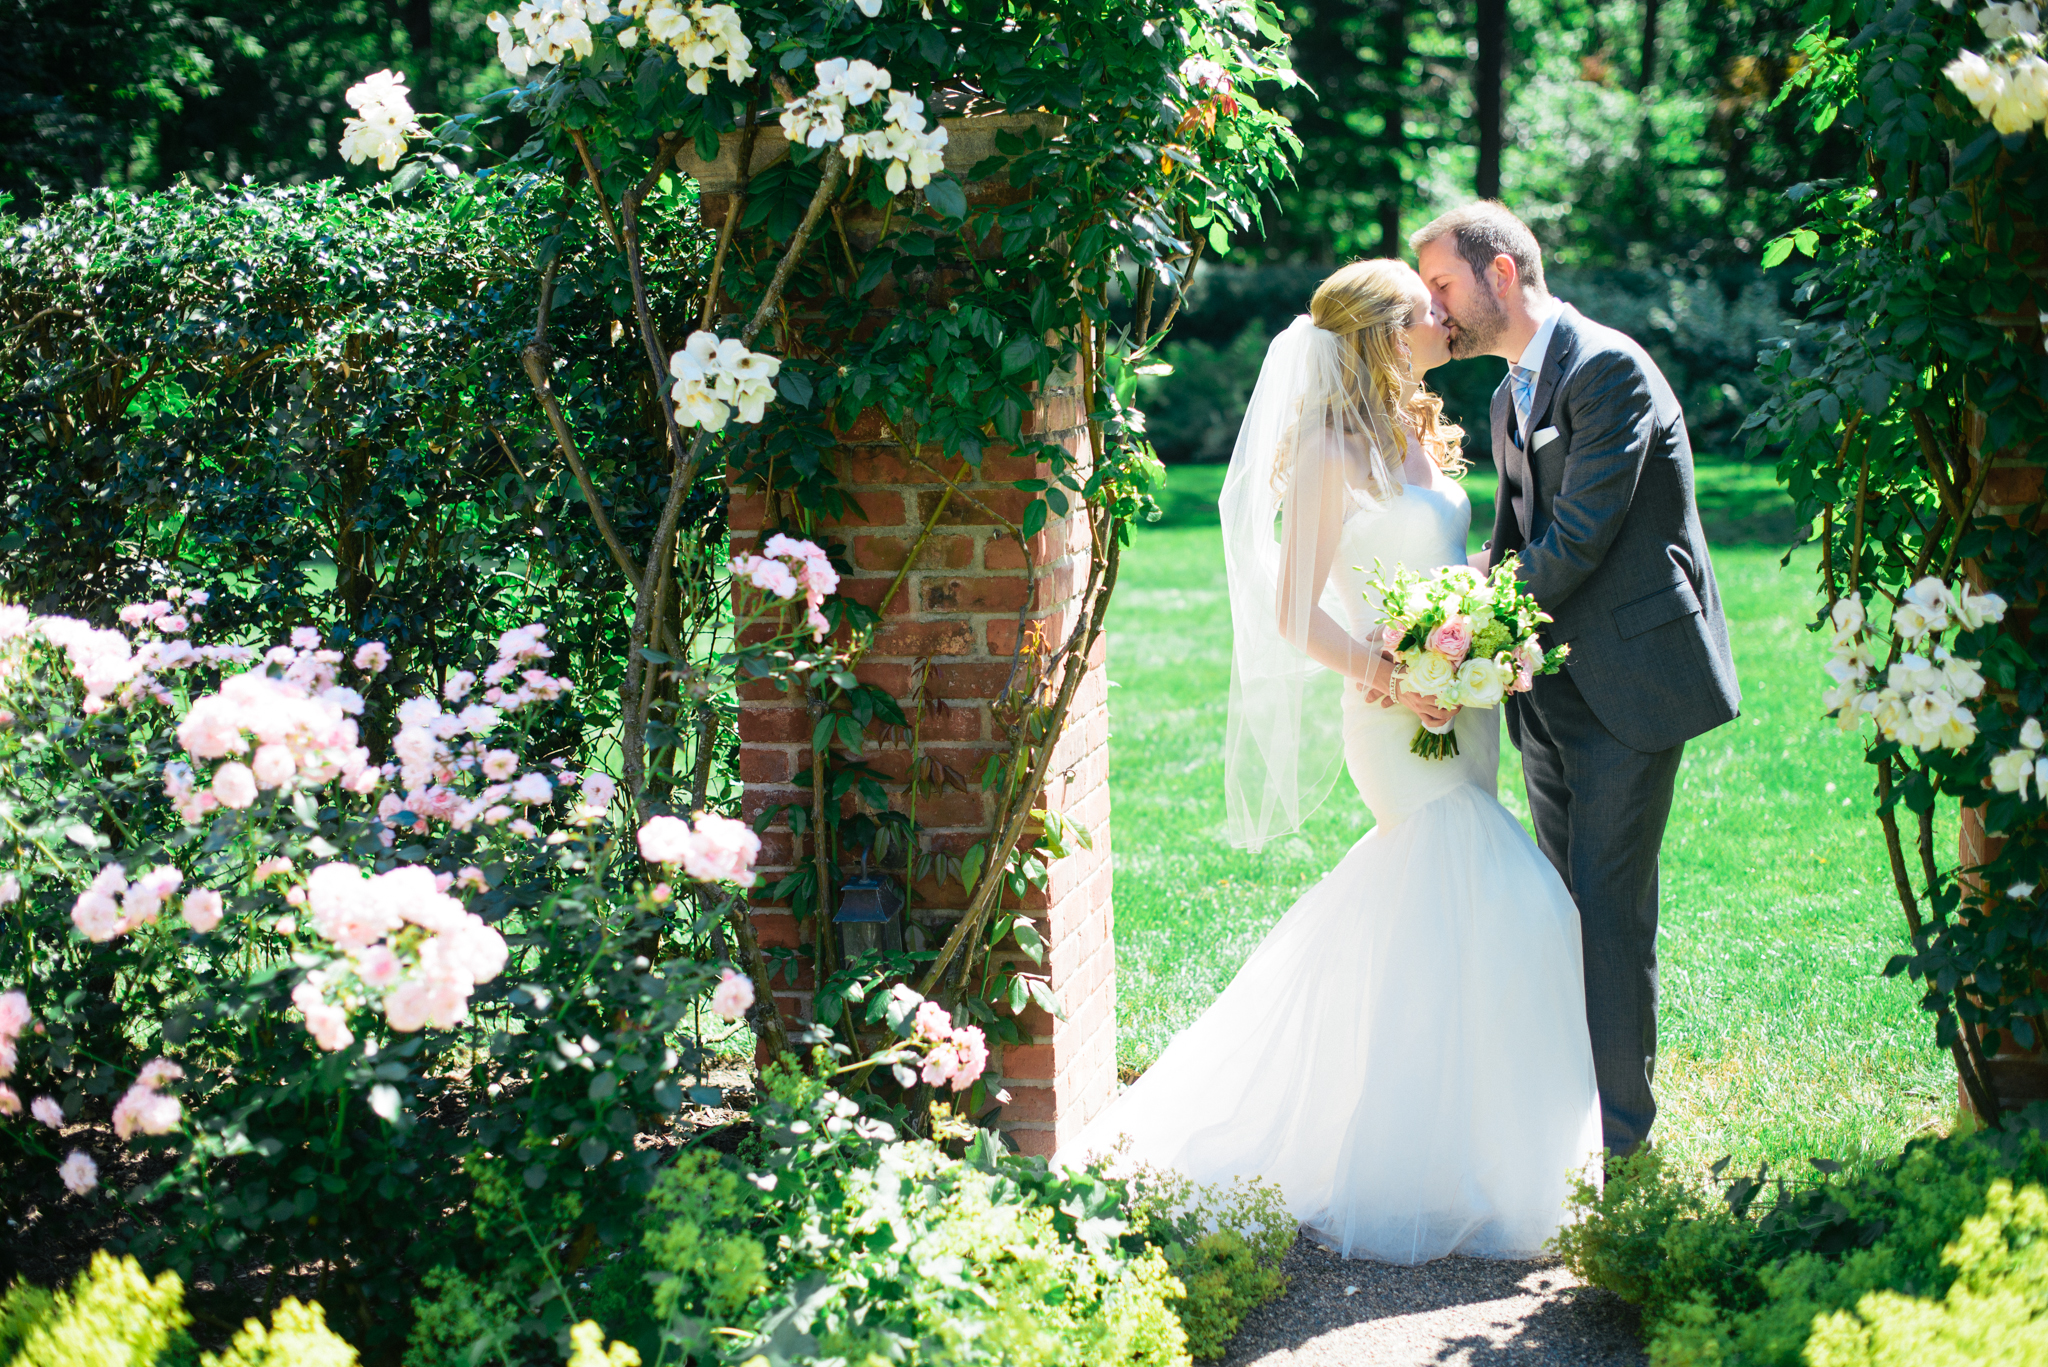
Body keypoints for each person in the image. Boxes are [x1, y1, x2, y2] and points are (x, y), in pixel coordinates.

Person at [1058, 257, 1602, 1265]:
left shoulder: (1417, 429)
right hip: (1390, 709)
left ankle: (1450, 1152)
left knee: (1443, 914)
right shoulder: (1323, 451)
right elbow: (1292, 607)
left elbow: (1447, 561)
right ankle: (1425, 1157)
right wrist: (1391, 673)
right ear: (1380, 335)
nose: (1444, 318)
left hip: (1458, 696)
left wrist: (1480, 628)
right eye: (1422, 311)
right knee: (1514, 901)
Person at [1411, 202, 1739, 1157]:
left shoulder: (1607, 370)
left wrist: (1463, 625)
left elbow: (1581, 536)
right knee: (1564, 914)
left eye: (1443, 285)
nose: (1435, 307)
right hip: (1546, 690)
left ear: (1501, 274)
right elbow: (1518, 537)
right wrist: (1463, 620)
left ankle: (1625, 1162)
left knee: (1608, 922)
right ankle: (1573, 1144)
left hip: (1629, 690)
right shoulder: (1511, 393)